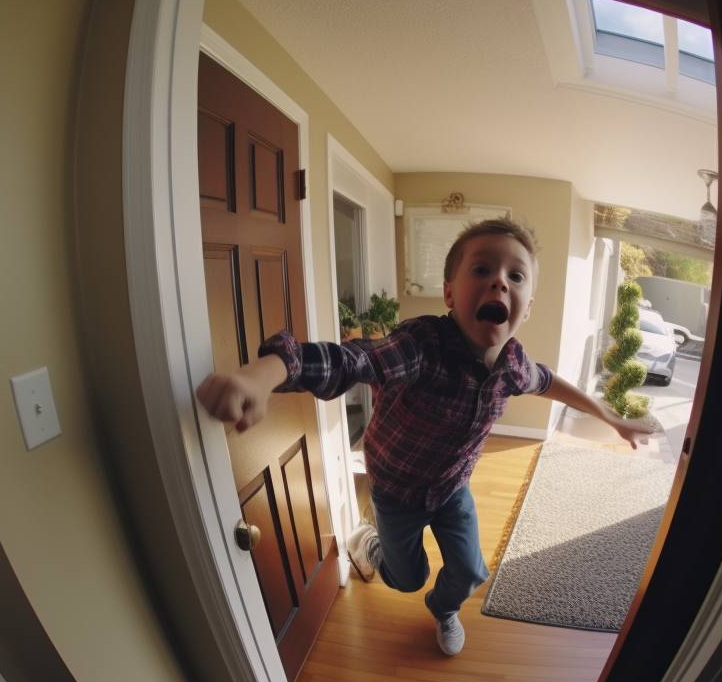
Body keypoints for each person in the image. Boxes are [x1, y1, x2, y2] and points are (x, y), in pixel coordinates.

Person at [195, 217, 653, 655]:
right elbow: (351, 360)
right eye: (482, 269)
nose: (499, 283)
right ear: (450, 293)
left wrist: (612, 418)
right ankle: (368, 543)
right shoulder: (420, 346)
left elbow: (551, 382)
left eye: (516, 276)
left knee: (471, 571)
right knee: (407, 577)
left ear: (527, 307)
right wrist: (264, 374)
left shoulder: (513, 365)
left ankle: (444, 609)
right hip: (396, 490)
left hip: (453, 486)